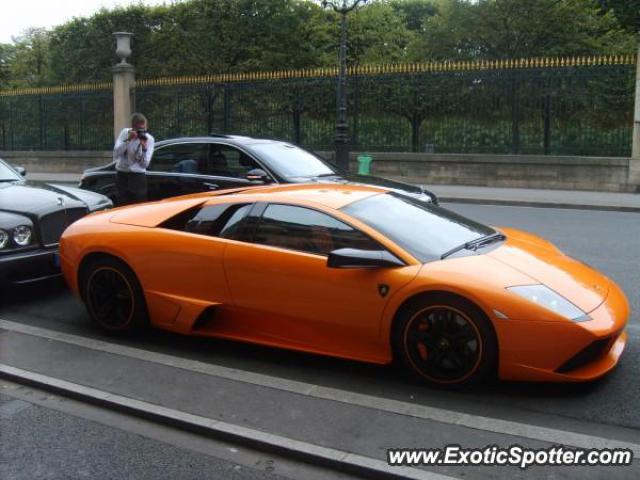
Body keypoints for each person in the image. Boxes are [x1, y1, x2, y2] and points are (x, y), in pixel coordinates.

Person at [113, 112, 155, 205]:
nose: (142, 132)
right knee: (122, 204)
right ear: (133, 128)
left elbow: (145, 164)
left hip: (138, 177)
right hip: (122, 175)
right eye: (139, 129)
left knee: (138, 206)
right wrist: (128, 140)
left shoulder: (149, 139)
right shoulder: (125, 133)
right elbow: (116, 153)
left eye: (144, 129)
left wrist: (144, 148)